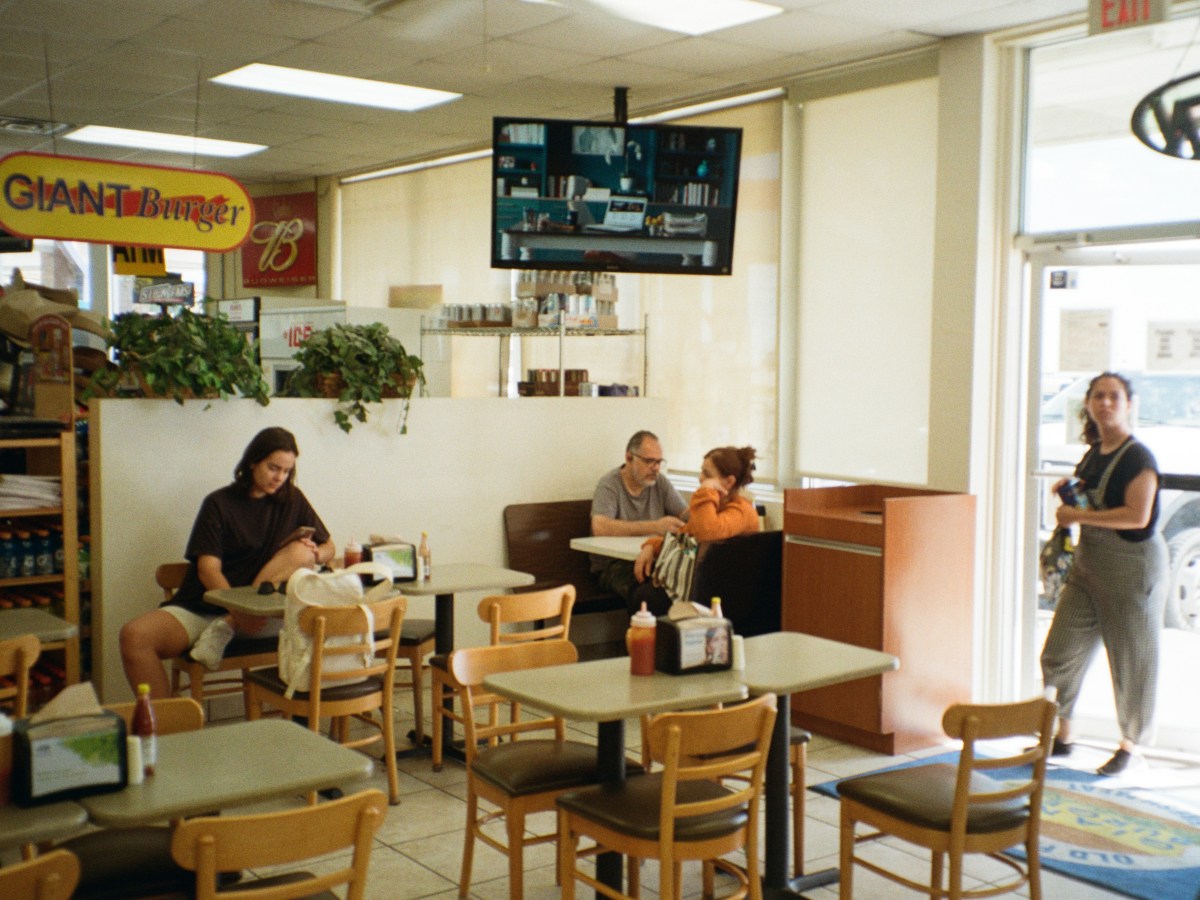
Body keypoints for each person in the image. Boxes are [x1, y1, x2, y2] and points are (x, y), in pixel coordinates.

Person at [119, 427, 335, 698]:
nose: (280, 477)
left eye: (286, 471)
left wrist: (316, 552)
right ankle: (165, 730)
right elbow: (208, 569)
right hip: (209, 608)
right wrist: (238, 612)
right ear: (253, 461)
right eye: (273, 468)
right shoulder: (219, 504)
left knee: (301, 553)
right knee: (134, 636)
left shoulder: (293, 499)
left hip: (263, 615)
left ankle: (229, 624)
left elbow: (330, 547)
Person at [1040, 372, 1168, 777]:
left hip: (1133, 571)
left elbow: (1138, 515)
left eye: (1114, 397)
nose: (1106, 403)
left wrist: (1077, 513)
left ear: (1129, 404)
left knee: (1133, 662)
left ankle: (1131, 746)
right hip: (1090, 568)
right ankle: (1064, 735)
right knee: (1059, 653)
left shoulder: (1138, 458)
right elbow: (1095, 496)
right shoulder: (1095, 451)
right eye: (1099, 396)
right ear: (1089, 404)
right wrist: (1071, 490)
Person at [630, 445, 760, 616]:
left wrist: (706, 491)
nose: (701, 479)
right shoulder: (715, 505)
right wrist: (651, 546)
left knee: (645, 596)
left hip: (721, 593)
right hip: (700, 583)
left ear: (729, 481)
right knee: (638, 585)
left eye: (707, 474)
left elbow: (706, 532)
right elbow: (685, 535)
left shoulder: (742, 511)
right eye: (702, 473)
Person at [590, 430, 687, 603]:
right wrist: (655, 527)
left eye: (659, 462)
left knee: (683, 582)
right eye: (649, 461)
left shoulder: (660, 482)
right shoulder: (610, 484)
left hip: (652, 557)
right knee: (650, 593)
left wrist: (711, 502)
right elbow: (600, 527)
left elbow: (685, 515)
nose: (655, 468)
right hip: (613, 565)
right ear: (629, 458)